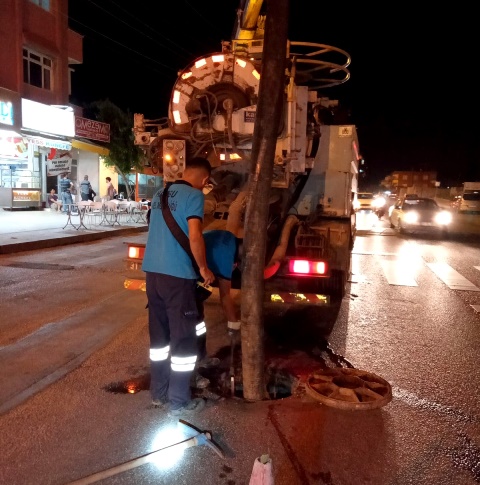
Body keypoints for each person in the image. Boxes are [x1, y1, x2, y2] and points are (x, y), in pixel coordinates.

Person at [142, 157, 215, 416]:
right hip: (177, 277)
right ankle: (179, 401)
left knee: (159, 340)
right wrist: (204, 268)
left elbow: (153, 227)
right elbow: (195, 235)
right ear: (205, 181)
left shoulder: (159, 193)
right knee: (183, 339)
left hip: (152, 274)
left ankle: (158, 395)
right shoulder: (195, 196)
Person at [193, 229, 243, 389]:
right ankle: (191, 375)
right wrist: (233, 323)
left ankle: (202, 357)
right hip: (186, 278)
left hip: (194, 276)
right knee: (188, 329)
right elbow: (225, 296)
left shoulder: (230, 237)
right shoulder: (226, 255)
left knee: (198, 325)